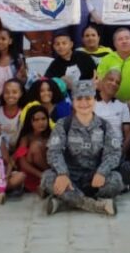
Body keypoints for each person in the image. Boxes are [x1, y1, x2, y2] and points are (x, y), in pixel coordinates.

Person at [42, 80, 122, 216]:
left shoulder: (104, 125)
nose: (84, 103)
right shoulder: (63, 124)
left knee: (116, 180)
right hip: (70, 176)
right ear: (73, 101)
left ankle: (64, 201)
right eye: (79, 98)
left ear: (94, 100)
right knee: (48, 178)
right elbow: (54, 151)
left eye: (88, 98)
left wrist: (102, 172)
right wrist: (62, 173)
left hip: (95, 177)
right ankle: (96, 205)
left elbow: (114, 153)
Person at [95, 28, 130, 103]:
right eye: (120, 39)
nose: (124, 41)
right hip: (113, 104)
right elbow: (100, 82)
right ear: (114, 43)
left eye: (127, 38)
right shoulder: (106, 59)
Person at [14, 106, 53, 195]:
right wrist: (42, 175)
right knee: (35, 145)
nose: (41, 122)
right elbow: (22, 162)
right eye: (36, 120)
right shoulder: (26, 138)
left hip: (51, 170)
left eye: (43, 119)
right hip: (33, 173)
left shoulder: (53, 134)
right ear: (30, 122)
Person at [94, 69, 130, 158]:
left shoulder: (123, 106)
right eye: (110, 79)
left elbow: (128, 134)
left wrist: (120, 154)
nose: (114, 84)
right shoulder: (89, 104)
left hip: (116, 152)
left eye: (117, 82)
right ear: (103, 81)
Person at [0, 29, 27, 106]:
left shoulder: (18, 59)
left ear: (10, 41)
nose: (0, 42)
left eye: (3, 39)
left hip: (15, 94)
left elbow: (24, 79)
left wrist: (21, 79)